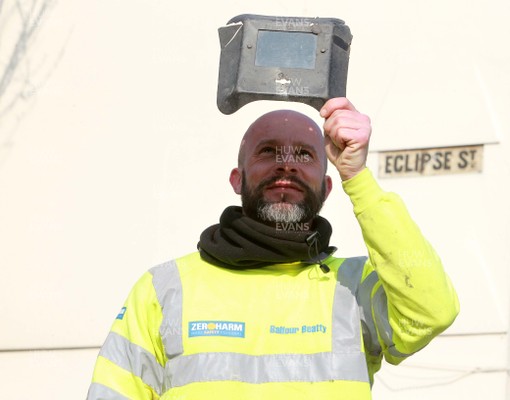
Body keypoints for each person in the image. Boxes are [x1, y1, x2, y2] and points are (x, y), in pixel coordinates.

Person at [86, 98, 459, 400]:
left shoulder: (354, 286)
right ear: (237, 179)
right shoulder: (164, 289)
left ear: (328, 187)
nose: (286, 164)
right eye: (268, 152)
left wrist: (357, 177)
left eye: (304, 155)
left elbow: (431, 313)